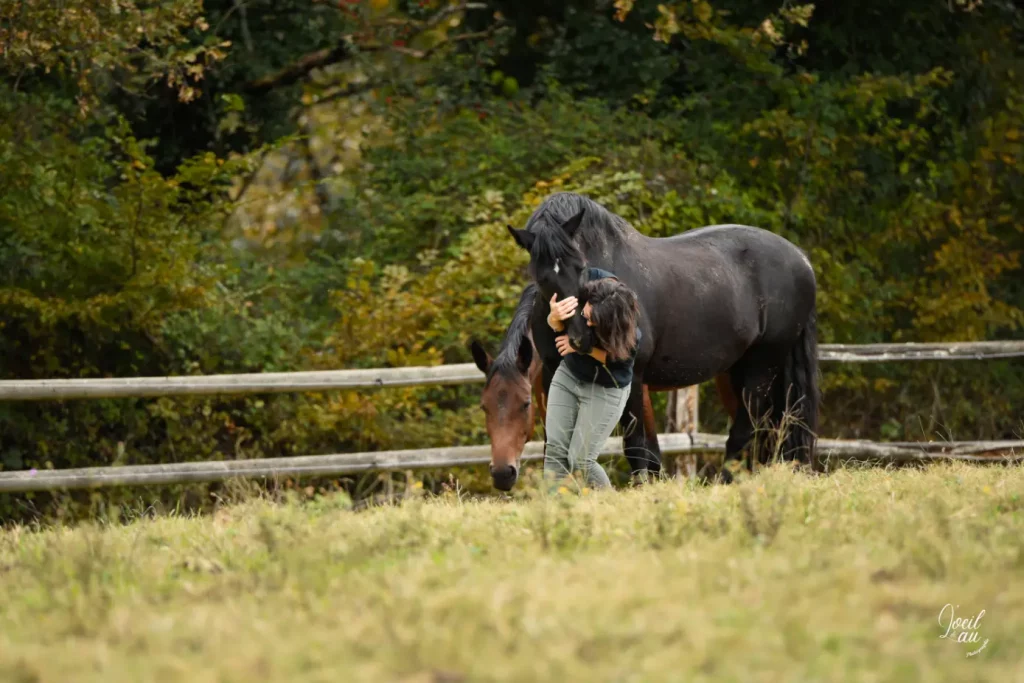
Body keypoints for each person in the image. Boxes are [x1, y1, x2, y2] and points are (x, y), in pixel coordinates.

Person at [544, 268, 642, 491]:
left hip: (606, 388)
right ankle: (555, 517)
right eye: (586, 316)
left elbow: (617, 360)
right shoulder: (587, 282)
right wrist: (553, 317)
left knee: (581, 461)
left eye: (593, 322)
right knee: (555, 452)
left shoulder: (631, 336)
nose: (587, 324)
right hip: (569, 376)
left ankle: (609, 511)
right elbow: (556, 323)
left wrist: (580, 347)